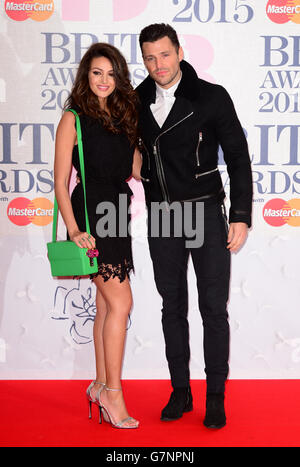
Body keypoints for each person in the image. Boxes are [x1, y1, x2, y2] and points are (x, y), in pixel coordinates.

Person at [135, 23, 253, 428]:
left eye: (165, 54)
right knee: (173, 308)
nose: (158, 64)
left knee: (213, 309)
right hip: (164, 216)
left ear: (180, 52)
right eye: (150, 57)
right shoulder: (135, 100)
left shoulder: (210, 96)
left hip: (204, 211)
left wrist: (240, 215)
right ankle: (180, 391)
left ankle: (215, 395)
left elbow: (238, 158)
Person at [54, 42, 141, 429]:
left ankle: (100, 385)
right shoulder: (72, 118)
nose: (104, 80)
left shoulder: (125, 117)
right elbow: (59, 182)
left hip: (117, 210)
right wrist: (74, 230)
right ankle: (112, 393)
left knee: (108, 306)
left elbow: (135, 169)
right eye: (96, 72)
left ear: (118, 78)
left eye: (110, 73)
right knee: (121, 303)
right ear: (86, 76)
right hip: (90, 214)